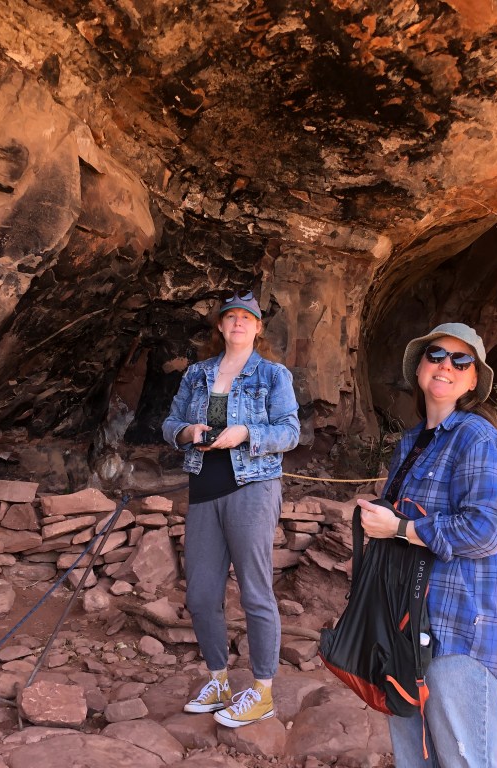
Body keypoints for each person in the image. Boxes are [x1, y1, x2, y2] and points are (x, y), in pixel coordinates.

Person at [356, 322, 497, 767]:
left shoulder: (476, 437)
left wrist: (401, 528)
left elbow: (486, 531)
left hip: (458, 629)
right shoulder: (411, 443)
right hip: (404, 630)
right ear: (419, 367)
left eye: (461, 361)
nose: (446, 365)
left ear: (473, 380)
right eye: (436, 355)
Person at [162, 289, 300, 728]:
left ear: (258, 328)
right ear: (221, 326)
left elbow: (290, 431)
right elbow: (170, 424)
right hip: (204, 488)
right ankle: (219, 681)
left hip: (252, 487)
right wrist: (188, 432)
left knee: (255, 591)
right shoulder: (197, 374)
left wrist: (245, 433)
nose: (238, 323)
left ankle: (262, 691)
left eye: (247, 318)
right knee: (201, 595)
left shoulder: (273, 375)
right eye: (231, 317)